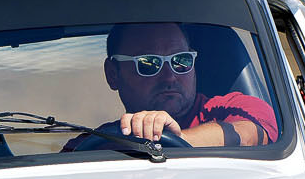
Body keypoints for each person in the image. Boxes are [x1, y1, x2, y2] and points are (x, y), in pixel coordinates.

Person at [104, 22, 277, 147]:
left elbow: (250, 135)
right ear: (113, 74)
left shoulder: (237, 108)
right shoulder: (101, 142)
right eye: (149, 63)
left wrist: (175, 140)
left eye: (181, 60)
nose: (169, 77)